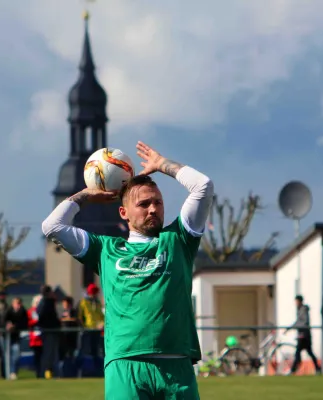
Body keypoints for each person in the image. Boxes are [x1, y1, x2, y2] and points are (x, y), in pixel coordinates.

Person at [42, 141, 214, 399]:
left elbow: (203, 186)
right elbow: (52, 226)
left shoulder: (179, 240)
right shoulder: (105, 249)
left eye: (157, 202)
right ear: (123, 212)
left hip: (176, 366)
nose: (153, 209)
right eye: (143, 204)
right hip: (125, 364)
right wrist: (87, 195)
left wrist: (163, 165)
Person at [285, 295, 321, 375]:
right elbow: (298, 322)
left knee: (299, 352)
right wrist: (289, 328)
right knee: (308, 352)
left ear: (300, 301)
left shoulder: (303, 310)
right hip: (302, 334)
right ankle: (317, 368)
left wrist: (298, 329)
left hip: (304, 335)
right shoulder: (299, 310)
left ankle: (293, 370)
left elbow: (303, 322)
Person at [78, 283, 105, 359]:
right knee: (87, 352)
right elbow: (79, 317)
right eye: (94, 292)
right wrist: (83, 327)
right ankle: (87, 369)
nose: (95, 294)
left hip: (97, 330)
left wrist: (103, 324)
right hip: (87, 331)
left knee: (96, 351)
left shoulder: (98, 303)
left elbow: (102, 316)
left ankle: (95, 369)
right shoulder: (83, 302)